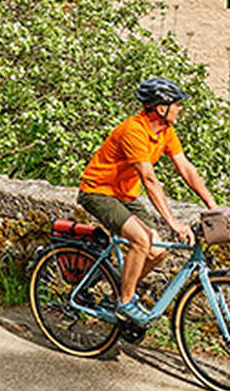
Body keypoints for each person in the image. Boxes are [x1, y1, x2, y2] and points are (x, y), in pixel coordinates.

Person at [77, 77, 217, 323]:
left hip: (125, 194)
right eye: (177, 104)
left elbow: (185, 168)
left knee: (157, 251)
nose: (180, 109)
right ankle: (125, 301)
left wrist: (213, 206)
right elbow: (149, 180)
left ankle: (115, 296)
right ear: (162, 108)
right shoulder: (134, 131)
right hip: (98, 191)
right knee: (141, 240)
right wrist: (172, 222)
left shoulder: (166, 132)